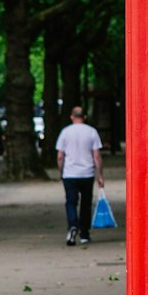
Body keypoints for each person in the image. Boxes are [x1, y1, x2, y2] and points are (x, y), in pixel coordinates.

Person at [55, 105, 104, 246]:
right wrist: (99, 175)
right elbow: (96, 155)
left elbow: (60, 156)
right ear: (84, 117)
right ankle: (84, 234)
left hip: (70, 173)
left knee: (71, 202)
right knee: (86, 203)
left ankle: (72, 226)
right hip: (87, 173)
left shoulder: (65, 132)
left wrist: (61, 171)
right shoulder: (92, 132)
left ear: (71, 116)